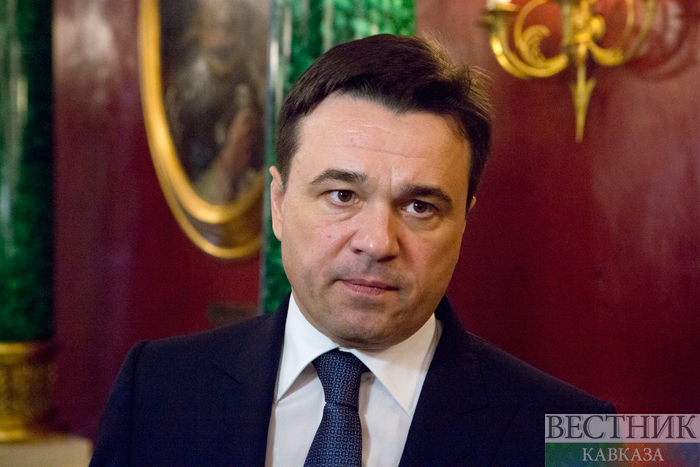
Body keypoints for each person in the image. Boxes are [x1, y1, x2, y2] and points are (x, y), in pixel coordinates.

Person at [90, 34, 614, 466]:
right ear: (279, 204)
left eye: (420, 207)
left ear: (463, 223)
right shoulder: (155, 389)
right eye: (342, 195)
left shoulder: (572, 436)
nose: (377, 243)